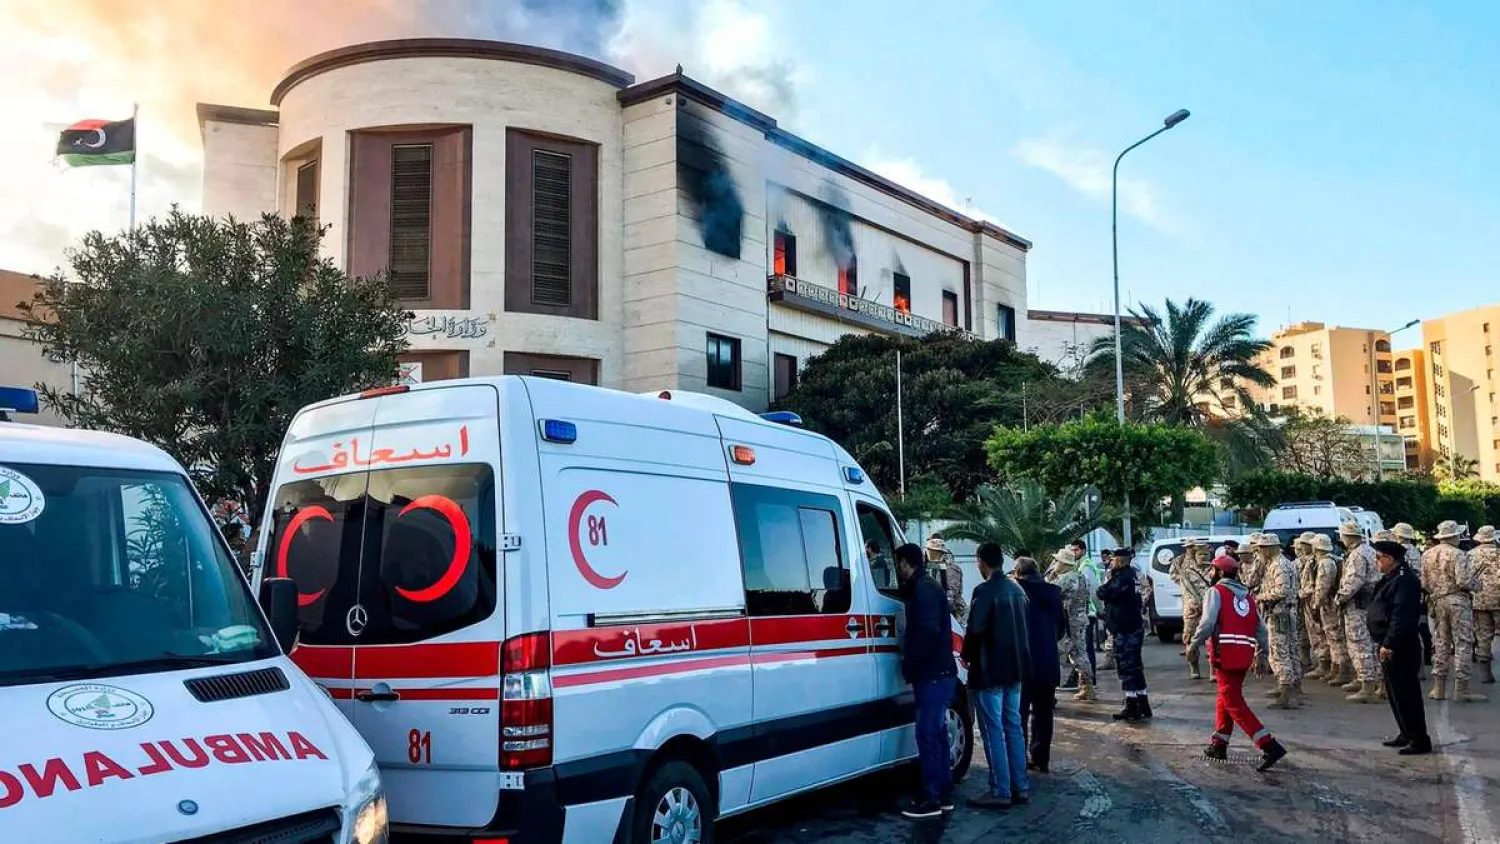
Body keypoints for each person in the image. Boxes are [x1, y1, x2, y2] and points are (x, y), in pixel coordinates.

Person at [1190, 552, 1289, 771]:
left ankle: (1269, 745)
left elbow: (1207, 624)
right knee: (1225, 696)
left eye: (1212, 569)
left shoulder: (1215, 591)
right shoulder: (1247, 596)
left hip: (1224, 654)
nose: (1210, 572)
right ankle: (1219, 743)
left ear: (1218, 572)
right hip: (1243, 654)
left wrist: (1193, 644)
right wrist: (1262, 653)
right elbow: (1261, 629)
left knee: (1233, 701)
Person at [963, 542, 1033, 810]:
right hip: (1015, 669)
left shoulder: (985, 591)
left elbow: (975, 630)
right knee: (1013, 726)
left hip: (990, 669)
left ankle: (1000, 789)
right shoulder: (1017, 589)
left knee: (993, 730)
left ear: (981, 561)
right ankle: (1020, 786)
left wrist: (966, 656)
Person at [894, 543, 959, 819]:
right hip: (939, 673)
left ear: (907, 563)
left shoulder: (924, 590)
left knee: (928, 735)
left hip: (932, 674)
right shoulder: (926, 587)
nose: (897, 569)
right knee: (938, 735)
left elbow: (927, 632)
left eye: (898, 563)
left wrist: (910, 665)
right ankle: (943, 795)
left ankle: (931, 799)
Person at [1368, 539, 1431, 754]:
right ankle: (1406, 732)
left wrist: (1390, 643)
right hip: (1389, 643)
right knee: (1396, 693)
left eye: (1379, 558)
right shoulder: (1393, 577)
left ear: (1390, 558)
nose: (1376, 562)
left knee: (1406, 693)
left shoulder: (1404, 580)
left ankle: (1419, 739)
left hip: (1400, 645)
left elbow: (1401, 616)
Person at [1423, 520, 1488, 703]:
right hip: (1458, 601)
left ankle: (1439, 687)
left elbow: (1425, 583)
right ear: (1453, 536)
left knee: (1442, 642)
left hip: (1437, 601)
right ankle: (1462, 688)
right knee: (1463, 643)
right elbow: (1464, 581)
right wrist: (1477, 584)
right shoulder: (1459, 555)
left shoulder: (1427, 555)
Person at [1013, 556, 1064, 774]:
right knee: (1044, 713)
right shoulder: (1053, 592)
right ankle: (1041, 758)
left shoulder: (1016, 593)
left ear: (1018, 573)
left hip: (1023, 661)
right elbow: (1061, 628)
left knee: (1019, 712)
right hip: (1048, 660)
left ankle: (1019, 757)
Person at [1098, 548, 1150, 721]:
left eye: (1114, 559)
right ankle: (1143, 703)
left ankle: (1132, 705)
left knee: (1127, 666)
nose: (1111, 561)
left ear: (1119, 560)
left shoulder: (1122, 577)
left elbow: (1103, 592)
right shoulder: (1132, 575)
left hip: (1125, 628)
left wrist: (1110, 576)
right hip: (1131, 624)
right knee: (1135, 666)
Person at [1253, 533, 1304, 708]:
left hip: (1279, 612)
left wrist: (1261, 597)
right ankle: (1291, 687)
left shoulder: (1279, 565)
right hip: (1283, 611)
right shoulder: (1278, 563)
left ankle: (1286, 693)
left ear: (1270, 548)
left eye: (1262, 548)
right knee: (1289, 650)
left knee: (1279, 652)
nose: (1259, 551)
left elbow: (1281, 591)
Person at [1336, 521, 1384, 703]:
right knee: (1371, 645)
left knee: (1360, 644)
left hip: (1358, 605)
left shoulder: (1357, 555)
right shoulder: (1370, 551)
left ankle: (1368, 686)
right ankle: (1378, 683)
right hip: (1370, 603)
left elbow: (1353, 583)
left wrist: (1339, 599)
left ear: (1348, 536)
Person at [1048, 548, 1097, 701]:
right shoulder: (1080, 577)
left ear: (1063, 563)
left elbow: (1049, 592)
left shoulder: (1065, 578)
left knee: (1056, 654)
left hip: (1067, 622)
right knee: (1080, 654)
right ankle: (1087, 687)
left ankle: (1050, 692)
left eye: (1057, 561)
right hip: (1081, 620)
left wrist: (1051, 574)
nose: (1055, 563)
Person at [1169, 539, 1213, 680]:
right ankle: (1194, 667)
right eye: (1200, 554)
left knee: (1213, 641)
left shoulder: (1215, 570)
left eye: (1206, 554)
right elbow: (1186, 591)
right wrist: (1195, 603)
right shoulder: (1186, 572)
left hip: (1210, 609)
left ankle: (1214, 670)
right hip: (1192, 609)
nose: (1203, 557)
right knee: (1190, 639)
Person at [1395, 522, 1435, 669]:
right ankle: (1421, 665)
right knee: (1418, 630)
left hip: (1403, 595)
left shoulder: (1400, 552)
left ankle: (1412, 665)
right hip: (1416, 595)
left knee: (1406, 632)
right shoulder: (1416, 552)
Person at [1311, 534, 1345, 685]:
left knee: (1334, 636)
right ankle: (1335, 668)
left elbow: (1322, 586)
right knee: (1331, 636)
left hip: (1328, 604)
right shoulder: (1331, 560)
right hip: (1329, 602)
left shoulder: (1325, 563)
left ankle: (1341, 669)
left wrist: (1315, 605)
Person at [1071, 539, 1107, 674]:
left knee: (1086, 648)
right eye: (1072, 550)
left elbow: (1092, 590)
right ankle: (1084, 678)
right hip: (1082, 612)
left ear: (1084, 550)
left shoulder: (1086, 566)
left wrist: (1099, 610)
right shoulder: (1078, 565)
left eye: (1076, 550)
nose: (1074, 553)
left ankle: (1090, 679)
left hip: (1087, 612)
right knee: (1081, 648)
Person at [1471, 525, 1500, 685]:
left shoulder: (1470, 555)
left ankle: (1486, 675)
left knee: (1483, 636)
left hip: (1479, 601)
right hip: (1499, 599)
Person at [926, 537, 967, 625]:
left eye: (933, 551)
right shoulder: (929, 567)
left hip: (953, 613)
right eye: (929, 550)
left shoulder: (950, 569)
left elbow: (951, 594)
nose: (930, 553)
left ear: (941, 553)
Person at [1295, 533, 1320, 674]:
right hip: (1305, 600)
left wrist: (1301, 594)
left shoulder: (1315, 562)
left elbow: (1315, 584)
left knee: (1317, 633)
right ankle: (1312, 661)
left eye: (1305, 544)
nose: (1301, 547)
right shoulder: (1303, 561)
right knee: (1306, 631)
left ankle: (1324, 665)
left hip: (1312, 600)